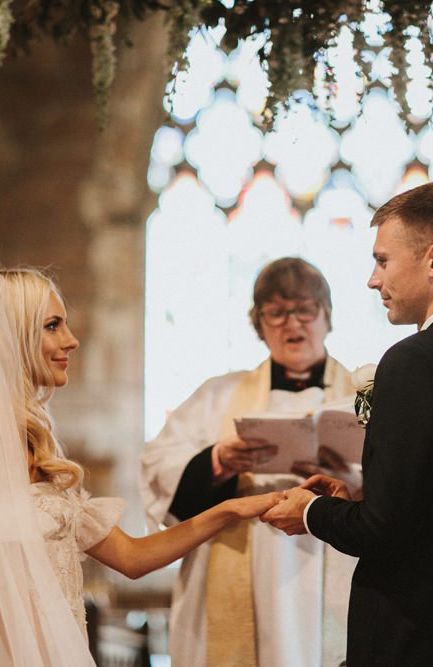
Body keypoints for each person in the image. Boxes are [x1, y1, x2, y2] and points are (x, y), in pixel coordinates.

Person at [262, 182, 433, 665]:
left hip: (416, 640)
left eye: (383, 261)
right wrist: (354, 498)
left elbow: (383, 531)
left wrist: (309, 512)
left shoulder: (413, 362)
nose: (374, 280)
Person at [0, 268, 281, 666]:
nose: (71, 340)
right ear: (13, 336)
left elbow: (131, 558)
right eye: (52, 325)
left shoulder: (39, 448)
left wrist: (232, 510)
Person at [140, 257, 357, 667]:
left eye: (305, 309)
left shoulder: (364, 396)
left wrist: (346, 473)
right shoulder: (216, 396)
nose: (292, 324)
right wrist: (219, 461)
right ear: (258, 325)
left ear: (327, 315)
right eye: (276, 313)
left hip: (333, 563)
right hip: (242, 572)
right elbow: (158, 467)